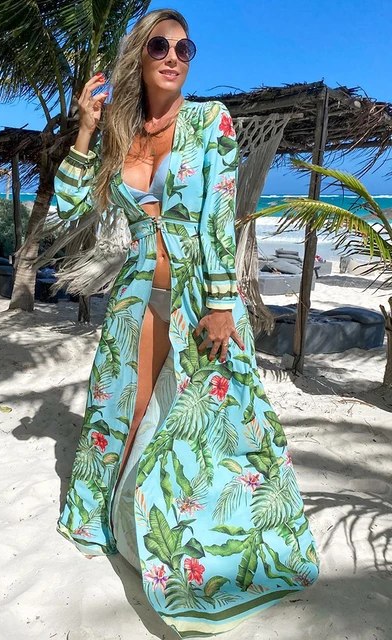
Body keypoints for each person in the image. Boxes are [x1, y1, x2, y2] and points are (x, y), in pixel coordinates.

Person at [55, 9, 319, 638]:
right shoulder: (120, 134)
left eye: (184, 48)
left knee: (210, 423)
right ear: (139, 57)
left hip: (199, 296)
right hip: (135, 295)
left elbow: (220, 218)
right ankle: (117, 523)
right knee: (125, 409)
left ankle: (212, 540)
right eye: (160, 46)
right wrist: (86, 130)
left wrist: (223, 304)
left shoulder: (209, 121)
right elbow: (68, 208)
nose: (173, 56)